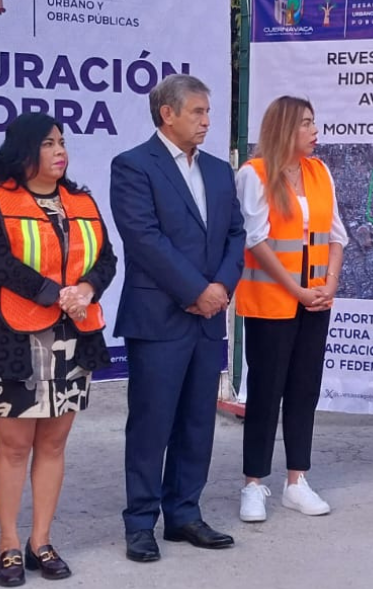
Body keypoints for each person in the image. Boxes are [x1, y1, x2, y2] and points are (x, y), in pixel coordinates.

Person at [0, 113, 117, 585]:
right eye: (49, 143)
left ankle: (40, 541)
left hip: (73, 335)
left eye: (62, 142)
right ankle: (8, 543)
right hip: (12, 337)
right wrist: (54, 292)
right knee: (13, 447)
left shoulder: (81, 199)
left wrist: (87, 289)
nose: (59, 151)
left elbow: (106, 257)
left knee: (53, 443)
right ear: (25, 151)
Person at [110, 74, 246, 562]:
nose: (207, 121)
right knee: (152, 424)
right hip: (160, 316)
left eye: (208, 112)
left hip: (208, 317)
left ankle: (184, 513)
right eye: (198, 112)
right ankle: (140, 522)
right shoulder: (132, 166)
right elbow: (144, 240)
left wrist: (221, 290)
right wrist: (196, 290)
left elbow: (236, 234)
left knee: (196, 423)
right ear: (167, 113)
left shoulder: (216, 169)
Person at [233, 96, 346, 523]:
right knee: (265, 392)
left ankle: (296, 481)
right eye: (306, 123)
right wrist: (297, 290)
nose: (315, 131)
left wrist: (328, 284)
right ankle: (254, 484)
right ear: (284, 128)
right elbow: (256, 240)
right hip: (270, 304)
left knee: (304, 389)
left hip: (316, 300)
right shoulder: (254, 173)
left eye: (314, 122)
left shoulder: (319, 172)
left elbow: (337, 234)